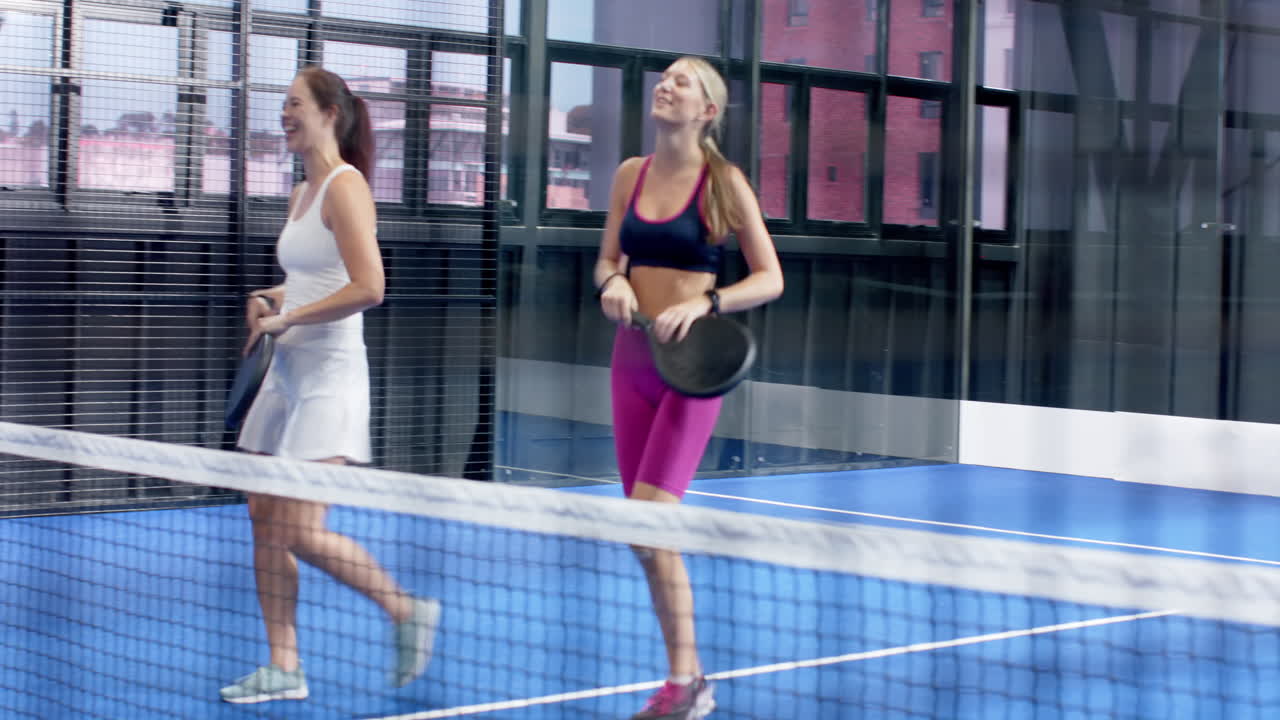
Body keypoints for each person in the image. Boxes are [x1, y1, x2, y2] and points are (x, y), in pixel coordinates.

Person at [220, 66, 440, 704]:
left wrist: (289, 317)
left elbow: (370, 286)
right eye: (282, 104)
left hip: (330, 377)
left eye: (293, 104)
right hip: (283, 373)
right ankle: (284, 667)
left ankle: (405, 609)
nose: (283, 114)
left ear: (328, 114)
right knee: (264, 517)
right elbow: (314, 278)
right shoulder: (301, 193)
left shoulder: (347, 188)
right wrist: (268, 297)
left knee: (300, 528)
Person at [594, 56, 783, 720]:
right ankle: (689, 679)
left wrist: (711, 303)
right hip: (632, 359)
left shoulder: (724, 182)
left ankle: (684, 684)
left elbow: (770, 277)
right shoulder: (629, 175)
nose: (665, 85)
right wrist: (613, 282)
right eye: (664, 77)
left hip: (695, 372)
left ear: (707, 110)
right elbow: (608, 258)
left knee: (650, 523)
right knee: (644, 535)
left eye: (683, 81)